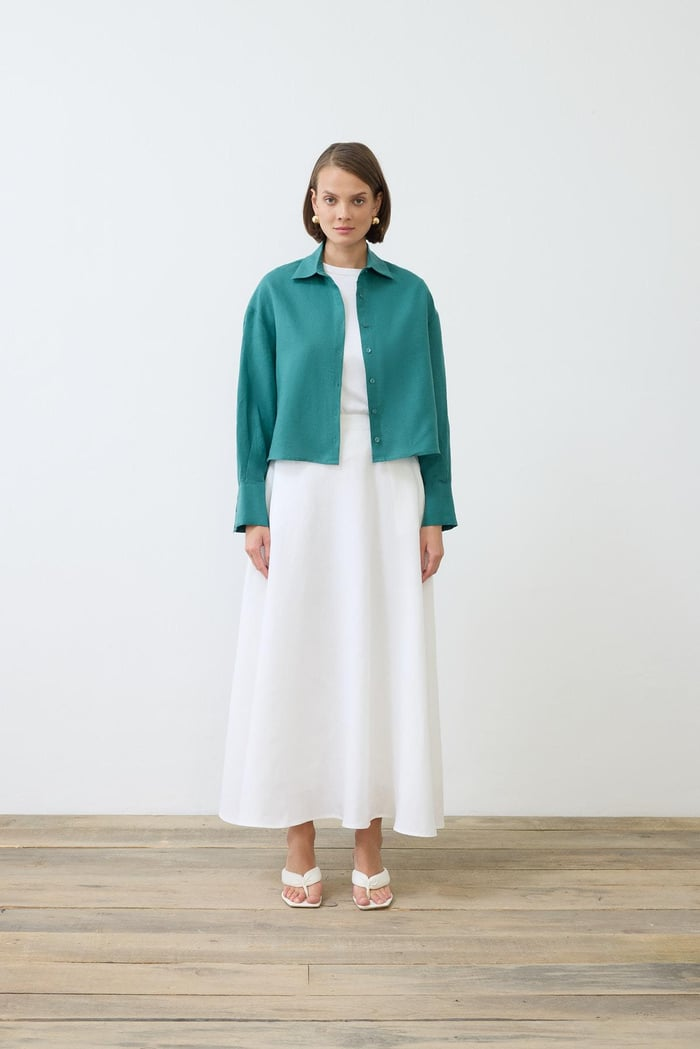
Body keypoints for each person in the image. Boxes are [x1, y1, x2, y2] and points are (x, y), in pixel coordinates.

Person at [218, 142, 457, 910]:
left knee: (375, 655)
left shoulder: (412, 295)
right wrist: (253, 508)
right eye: (330, 198)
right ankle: (297, 839)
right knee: (299, 652)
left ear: (378, 205)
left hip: (388, 487)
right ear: (311, 204)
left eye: (357, 198)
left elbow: (438, 406)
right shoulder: (275, 293)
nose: (343, 212)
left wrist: (436, 509)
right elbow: (253, 405)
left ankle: (368, 840)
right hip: (303, 487)